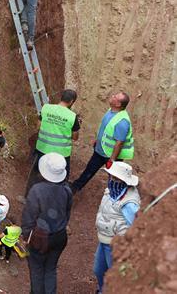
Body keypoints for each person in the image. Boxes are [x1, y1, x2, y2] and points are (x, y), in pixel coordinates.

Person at [22, 152, 73, 294]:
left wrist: (27, 237)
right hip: (60, 237)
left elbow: (28, 217)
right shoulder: (67, 190)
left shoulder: (36, 191)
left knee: (37, 270)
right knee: (50, 270)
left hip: (40, 238)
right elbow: (67, 213)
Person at [71, 91, 134, 193]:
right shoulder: (111, 111)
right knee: (89, 170)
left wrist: (112, 160)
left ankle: (115, 196)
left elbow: (119, 143)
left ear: (118, 104)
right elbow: (106, 129)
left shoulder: (122, 122)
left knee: (114, 178)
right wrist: (98, 140)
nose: (112, 96)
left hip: (111, 156)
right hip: (100, 151)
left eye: (115, 97)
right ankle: (75, 187)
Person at [93, 162, 140, 294]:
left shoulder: (129, 204)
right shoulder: (110, 192)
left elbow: (136, 227)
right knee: (98, 270)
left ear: (123, 181)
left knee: (115, 277)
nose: (111, 180)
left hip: (115, 246)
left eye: (114, 178)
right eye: (110, 177)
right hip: (103, 241)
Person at [27, 89, 80, 192]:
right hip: (61, 153)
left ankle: (28, 196)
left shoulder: (46, 108)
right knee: (61, 178)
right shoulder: (72, 117)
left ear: (61, 97)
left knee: (35, 173)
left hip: (42, 148)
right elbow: (75, 137)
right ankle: (55, 200)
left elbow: (38, 126)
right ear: (72, 101)